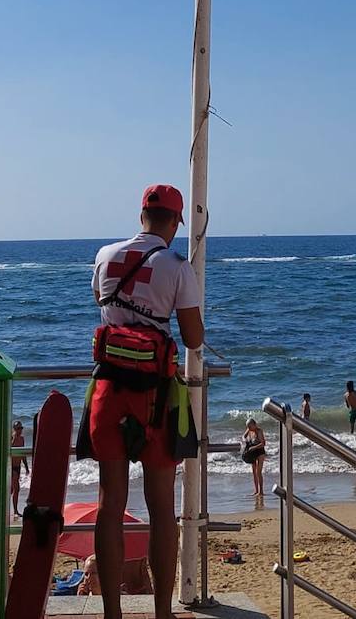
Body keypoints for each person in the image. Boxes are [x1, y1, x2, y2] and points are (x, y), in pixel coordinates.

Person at [85, 184, 204, 619]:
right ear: (175, 222)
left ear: (141, 216)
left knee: (109, 504)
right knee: (161, 507)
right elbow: (193, 338)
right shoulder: (177, 266)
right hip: (156, 398)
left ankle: (112, 612)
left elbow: (101, 300)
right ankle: (162, 612)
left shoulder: (105, 255)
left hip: (109, 391)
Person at [241, 418, 267, 501]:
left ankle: (261, 491)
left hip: (260, 451)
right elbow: (243, 436)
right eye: (248, 427)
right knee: (254, 472)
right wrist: (245, 440)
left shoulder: (259, 431)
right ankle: (256, 490)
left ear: (254, 425)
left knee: (258, 472)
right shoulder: (249, 430)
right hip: (252, 451)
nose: (249, 428)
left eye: (250, 426)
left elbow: (263, 443)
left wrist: (254, 447)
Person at [10, 418, 28, 513]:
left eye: (21, 428)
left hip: (18, 467)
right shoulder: (11, 438)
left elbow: (23, 454)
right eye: (18, 428)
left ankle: (7, 509)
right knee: (16, 489)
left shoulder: (22, 439)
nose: (20, 430)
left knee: (12, 490)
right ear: (14, 429)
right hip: (12, 467)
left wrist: (26, 467)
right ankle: (15, 511)